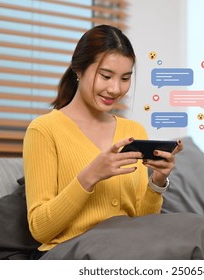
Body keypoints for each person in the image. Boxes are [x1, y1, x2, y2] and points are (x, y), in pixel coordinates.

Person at [23, 24, 183, 259]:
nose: (115, 89)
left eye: (125, 78)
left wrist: (158, 181)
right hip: (72, 254)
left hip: (129, 249)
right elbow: (40, 229)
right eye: (105, 76)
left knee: (203, 234)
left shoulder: (132, 130)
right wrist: (90, 176)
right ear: (79, 69)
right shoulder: (44, 130)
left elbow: (143, 223)